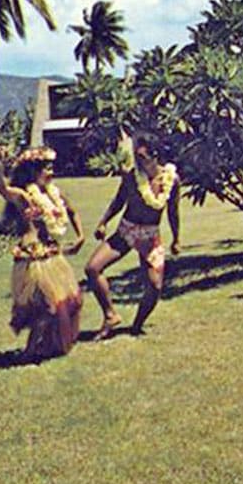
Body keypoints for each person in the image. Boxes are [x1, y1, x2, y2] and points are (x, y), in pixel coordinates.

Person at [0, 147, 84, 361]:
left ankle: (37, 347)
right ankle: (31, 349)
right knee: (48, 307)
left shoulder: (55, 193)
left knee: (67, 302)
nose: (51, 173)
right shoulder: (25, 195)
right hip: (33, 257)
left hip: (52, 255)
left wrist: (80, 237)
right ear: (34, 172)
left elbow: (72, 211)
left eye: (52, 168)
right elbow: (4, 189)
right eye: (46, 169)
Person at [85, 134, 181, 338]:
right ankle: (110, 315)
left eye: (142, 156)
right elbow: (118, 201)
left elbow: (173, 212)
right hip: (126, 231)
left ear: (155, 155)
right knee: (92, 268)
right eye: (136, 156)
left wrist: (176, 239)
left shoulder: (172, 180)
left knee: (155, 286)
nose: (138, 161)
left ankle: (137, 325)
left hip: (150, 236)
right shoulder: (131, 176)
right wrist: (103, 222)